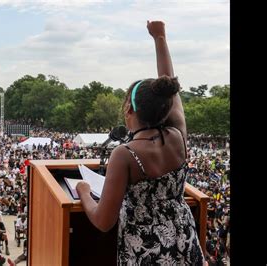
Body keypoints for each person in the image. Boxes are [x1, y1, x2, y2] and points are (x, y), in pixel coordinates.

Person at [75, 21, 204, 265]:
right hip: (184, 240)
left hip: (146, 252)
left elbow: (104, 221)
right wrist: (160, 38)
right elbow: (170, 89)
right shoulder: (178, 136)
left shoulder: (125, 154)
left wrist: (83, 192)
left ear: (130, 110)